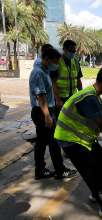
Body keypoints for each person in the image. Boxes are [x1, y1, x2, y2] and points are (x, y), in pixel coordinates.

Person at [54, 67, 102, 220]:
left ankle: (98, 191)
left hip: (80, 138)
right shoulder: (89, 98)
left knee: (99, 155)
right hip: (68, 138)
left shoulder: (95, 94)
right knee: (90, 170)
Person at [29, 48, 77, 180]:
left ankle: (40, 170)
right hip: (42, 112)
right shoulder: (38, 73)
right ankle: (60, 170)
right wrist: (47, 116)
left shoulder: (44, 71)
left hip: (45, 111)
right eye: (54, 62)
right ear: (47, 59)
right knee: (53, 142)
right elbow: (41, 97)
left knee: (42, 143)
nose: (55, 65)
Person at [50, 40, 83, 114]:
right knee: (61, 120)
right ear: (64, 49)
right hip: (61, 98)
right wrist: (57, 99)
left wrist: (81, 95)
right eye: (71, 51)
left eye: (74, 51)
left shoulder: (75, 61)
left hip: (73, 97)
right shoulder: (57, 62)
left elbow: (78, 80)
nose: (73, 53)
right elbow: (53, 82)